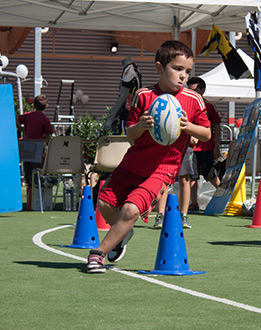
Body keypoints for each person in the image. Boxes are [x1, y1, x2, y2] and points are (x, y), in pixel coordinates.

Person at [87, 40, 211, 273]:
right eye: (177, 68)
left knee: (131, 210)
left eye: (188, 71)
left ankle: (98, 254)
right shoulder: (143, 96)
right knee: (104, 203)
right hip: (132, 162)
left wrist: (188, 126)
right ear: (159, 68)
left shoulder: (193, 100)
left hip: (162, 169)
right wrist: (142, 125)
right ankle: (123, 232)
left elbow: (206, 133)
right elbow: (131, 133)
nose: (183, 76)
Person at [187, 77, 221, 212]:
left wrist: (216, 146)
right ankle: (194, 203)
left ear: (203, 90)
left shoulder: (210, 106)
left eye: (194, 90)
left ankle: (223, 196)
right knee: (192, 176)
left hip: (207, 147)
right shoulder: (186, 104)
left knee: (210, 174)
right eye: (189, 90)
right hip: (191, 147)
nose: (192, 93)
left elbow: (217, 126)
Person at [153, 140, 196, 230]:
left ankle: (184, 216)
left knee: (184, 178)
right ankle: (160, 216)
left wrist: (195, 135)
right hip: (166, 142)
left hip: (185, 143)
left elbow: (201, 127)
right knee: (164, 178)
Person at [16, 95, 53, 193]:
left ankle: (29, 190)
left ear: (34, 105)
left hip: (27, 145)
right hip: (38, 146)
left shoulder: (28, 115)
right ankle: (36, 189)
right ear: (46, 106)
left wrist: (21, 128)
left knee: (27, 169)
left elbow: (16, 118)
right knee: (37, 169)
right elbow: (48, 135)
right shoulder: (44, 119)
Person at [104, 56, 142, 134]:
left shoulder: (129, 71)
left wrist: (110, 119)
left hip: (128, 112)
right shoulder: (135, 69)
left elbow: (123, 96)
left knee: (124, 139)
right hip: (134, 110)